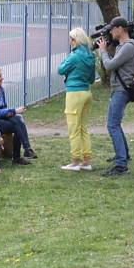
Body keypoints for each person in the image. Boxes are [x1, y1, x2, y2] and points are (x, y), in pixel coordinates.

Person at [96, 16, 134, 176]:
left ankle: (121, 164)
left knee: (112, 125)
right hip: (120, 88)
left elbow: (109, 65)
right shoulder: (123, 46)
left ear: (120, 29)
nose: (111, 32)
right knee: (115, 123)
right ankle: (123, 155)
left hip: (122, 90)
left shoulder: (128, 47)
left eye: (112, 29)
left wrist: (103, 51)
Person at [57, 27, 97, 171]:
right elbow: (92, 78)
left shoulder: (74, 56)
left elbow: (60, 69)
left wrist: (69, 57)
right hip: (86, 92)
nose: (69, 41)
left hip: (74, 93)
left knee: (73, 128)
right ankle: (86, 161)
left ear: (75, 40)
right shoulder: (90, 55)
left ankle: (75, 161)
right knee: (83, 128)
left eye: (71, 39)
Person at [0, 67, 34, 165]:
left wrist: (12, 113)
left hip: (0, 120)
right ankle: (21, 154)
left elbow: (4, 108)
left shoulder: (0, 90)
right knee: (18, 124)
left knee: (18, 119)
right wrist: (14, 111)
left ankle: (26, 150)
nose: (2, 78)